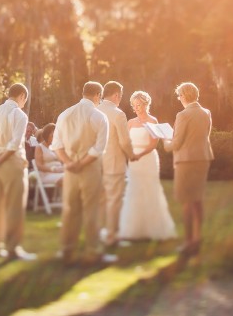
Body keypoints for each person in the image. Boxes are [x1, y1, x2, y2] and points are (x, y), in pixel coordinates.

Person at [51, 81, 114, 265]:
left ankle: (66, 250)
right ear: (97, 96)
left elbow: (57, 145)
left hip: (70, 169)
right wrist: (81, 164)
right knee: (91, 210)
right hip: (90, 168)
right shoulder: (99, 116)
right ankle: (92, 252)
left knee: (70, 210)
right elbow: (98, 148)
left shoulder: (65, 114)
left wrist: (69, 163)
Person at [0, 83, 36, 260]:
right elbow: (15, 143)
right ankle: (13, 248)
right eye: (24, 100)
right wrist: (0, 159)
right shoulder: (19, 114)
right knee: (14, 206)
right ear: (22, 96)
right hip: (11, 161)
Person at [163, 82, 214, 257]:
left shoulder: (183, 114)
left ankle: (188, 242)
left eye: (179, 96)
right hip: (203, 158)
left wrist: (165, 142)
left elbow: (176, 143)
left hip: (186, 160)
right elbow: (205, 136)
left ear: (184, 95)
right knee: (197, 199)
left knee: (186, 200)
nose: (179, 99)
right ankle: (197, 238)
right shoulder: (206, 112)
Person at [119, 90, 177, 241]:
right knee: (134, 189)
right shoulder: (130, 123)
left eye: (140, 105)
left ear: (146, 104)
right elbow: (125, 141)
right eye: (134, 105)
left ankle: (153, 228)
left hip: (147, 159)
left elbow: (153, 144)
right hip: (133, 160)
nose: (137, 108)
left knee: (150, 189)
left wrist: (139, 155)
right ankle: (135, 229)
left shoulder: (153, 121)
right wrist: (130, 154)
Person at [96, 81, 134, 248]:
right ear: (117, 95)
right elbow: (124, 141)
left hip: (96, 163)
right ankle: (112, 237)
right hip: (113, 163)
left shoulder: (94, 110)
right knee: (114, 201)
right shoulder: (118, 114)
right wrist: (132, 156)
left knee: (100, 201)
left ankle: (97, 234)